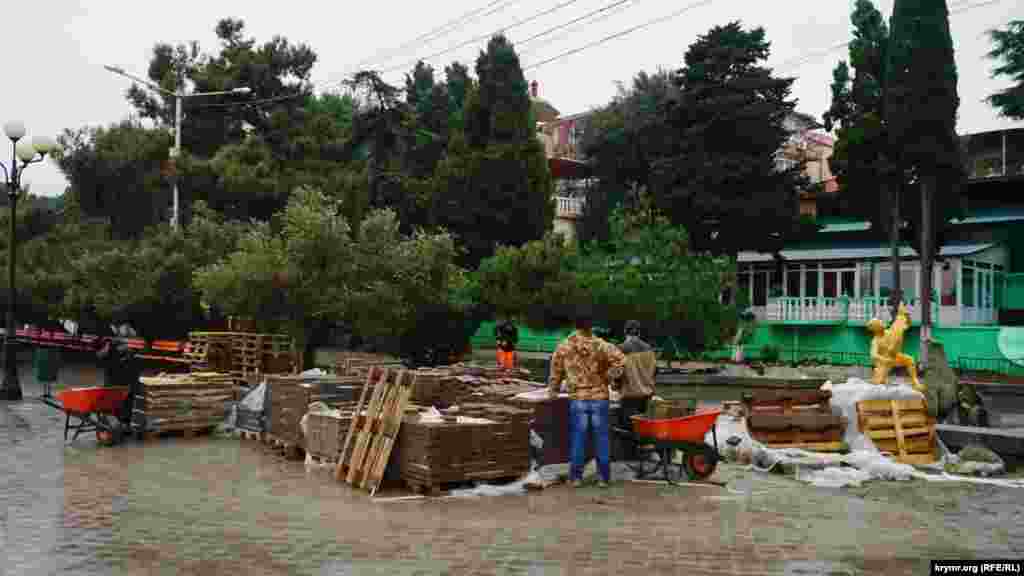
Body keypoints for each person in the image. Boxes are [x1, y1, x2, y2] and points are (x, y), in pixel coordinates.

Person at [548, 305, 626, 488]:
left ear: (575, 324)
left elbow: (556, 369)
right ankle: (603, 478)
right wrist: (609, 376)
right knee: (601, 438)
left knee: (578, 437)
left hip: (577, 398)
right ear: (591, 325)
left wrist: (554, 389)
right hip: (599, 397)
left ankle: (575, 478)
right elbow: (622, 361)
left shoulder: (564, 346)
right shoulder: (601, 345)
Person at [615, 320, 657, 459]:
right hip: (647, 396)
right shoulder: (649, 349)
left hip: (629, 396)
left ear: (625, 332)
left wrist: (616, 385)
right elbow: (654, 372)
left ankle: (630, 459)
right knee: (643, 428)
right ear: (639, 332)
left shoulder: (621, 349)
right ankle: (644, 458)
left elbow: (617, 373)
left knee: (627, 431)